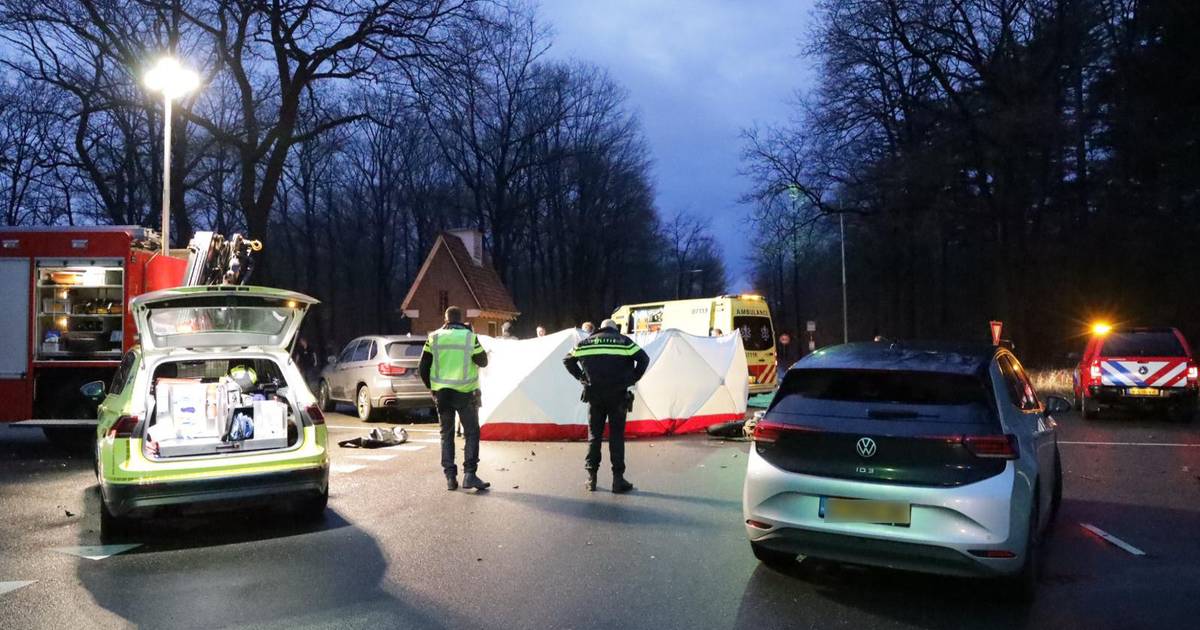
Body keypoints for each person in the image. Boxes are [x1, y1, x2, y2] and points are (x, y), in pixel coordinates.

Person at [562, 319, 649, 493]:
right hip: (618, 396)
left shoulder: (586, 342)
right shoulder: (624, 341)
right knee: (616, 436)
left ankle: (591, 479)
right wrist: (632, 378)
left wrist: (583, 378)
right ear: (615, 329)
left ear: (601, 327)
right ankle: (618, 480)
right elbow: (644, 359)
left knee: (594, 436)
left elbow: (567, 360)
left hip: (594, 395)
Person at [419, 306, 491, 492]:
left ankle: (450, 477)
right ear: (461, 319)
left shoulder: (433, 337)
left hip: (442, 394)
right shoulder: (469, 337)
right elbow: (483, 361)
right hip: (466, 393)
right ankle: (470, 475)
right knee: (471, 433)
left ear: (446, 319)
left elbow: (423, 366)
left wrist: (432, 388)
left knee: (447, 434)